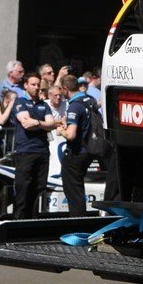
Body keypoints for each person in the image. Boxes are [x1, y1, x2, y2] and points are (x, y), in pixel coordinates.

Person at [12, 73, 55, 218]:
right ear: (25, 85)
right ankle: (18, 222)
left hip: (42, 151)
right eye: (33, 84)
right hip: (26, 151)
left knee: (39, 188)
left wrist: (36, 122)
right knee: (23, 188)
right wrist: (43, 124)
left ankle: (33, 221)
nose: (36, 88)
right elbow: (26, 124)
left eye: (38, 85)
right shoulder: (20, 102)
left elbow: (52, 124)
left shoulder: (44, 105)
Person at [58, 75, 95, 216]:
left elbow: (71, 135)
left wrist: (61, 130)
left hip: (76, 153)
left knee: (73, 192)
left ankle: (77, 222)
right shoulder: (89, 100)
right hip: (89, 151)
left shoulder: (75, 105)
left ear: (65, 89)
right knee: (78, 189)